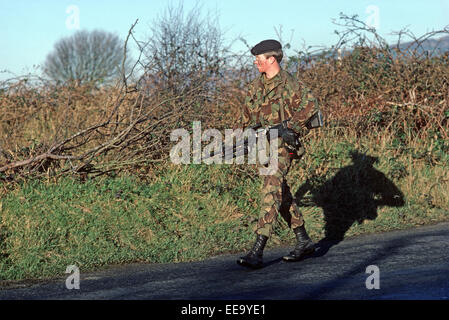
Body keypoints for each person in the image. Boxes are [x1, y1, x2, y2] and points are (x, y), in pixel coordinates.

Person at [237, 39, 320, 269]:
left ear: (271, 59)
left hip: (283, 146)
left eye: (259, 59)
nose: (255, 62)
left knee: (270, 190)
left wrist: (290, 126)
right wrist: (245, 138)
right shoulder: (255, 87)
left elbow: (312, 106)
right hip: (263, 146)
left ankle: (258, 249)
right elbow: (246, 118)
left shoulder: (291, 85)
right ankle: (303, 240)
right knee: (280, 192)